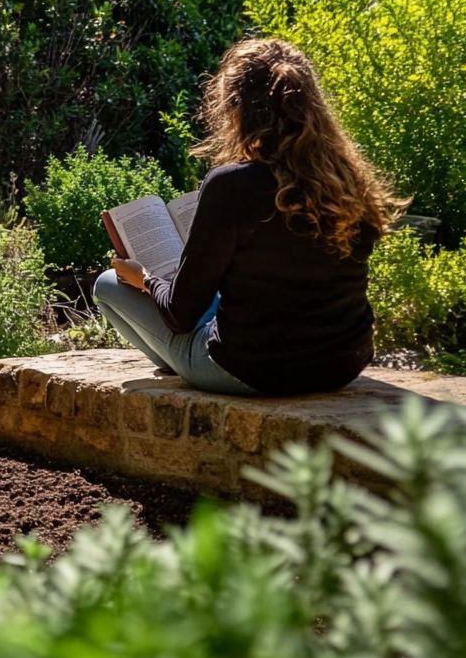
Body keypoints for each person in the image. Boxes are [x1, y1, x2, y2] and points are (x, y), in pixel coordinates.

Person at [93, 38, 404, 396]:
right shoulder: (348, 179)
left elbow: (180, 316)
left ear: (236, 108)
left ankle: (185, 365)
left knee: (108, 285)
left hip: (252, 370)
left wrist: (144, 277)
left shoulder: (232, 185)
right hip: (343, 364)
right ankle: (185, 359)